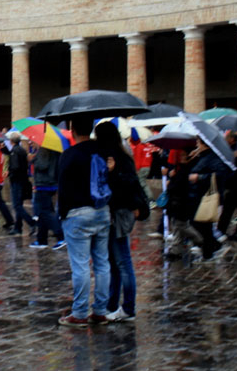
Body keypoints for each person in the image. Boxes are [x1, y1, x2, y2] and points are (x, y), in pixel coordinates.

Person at [57, 117, 111, 328]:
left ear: (72, 130)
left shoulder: (69, 155)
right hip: (102, 210)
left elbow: (61, 186)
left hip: (77, 213)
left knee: (80, 265)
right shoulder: (102, 150)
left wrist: (61, 215)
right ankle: (100, 310)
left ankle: (79, 312)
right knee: (102, 263)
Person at [95, 121, 143, 323]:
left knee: (123, 262)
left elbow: (128, 186)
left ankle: (129, 308)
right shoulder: (110, 157)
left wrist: (113, 172)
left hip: (120, 215)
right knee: (113, 263)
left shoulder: (121, 159)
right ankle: (111, 305)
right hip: (112, 215)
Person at [28, 144, 66, 250]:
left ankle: (61, 236)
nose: (31, 143)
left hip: (44, 184)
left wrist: (32, 158)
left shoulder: (44, 149)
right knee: (43, 212)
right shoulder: (50, 149)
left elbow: (42, 165)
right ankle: (42, 239)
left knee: (45, 212)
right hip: (48, 183)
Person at [7, 132, 36, 236]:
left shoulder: (14, 151)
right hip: (23, 179)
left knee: (17, 205)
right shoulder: (23, 150)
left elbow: (15, 167)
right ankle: (17, 227)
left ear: (11, 141)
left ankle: (31, 222)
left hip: (17, 181)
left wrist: (10, 173)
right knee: (19, 203)